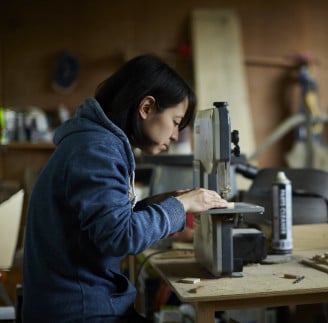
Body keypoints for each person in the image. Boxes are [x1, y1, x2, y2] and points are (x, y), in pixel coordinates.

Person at [22, 54, 230, 322]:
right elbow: (120, 237)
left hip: (78, 302)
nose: (176, 135)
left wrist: (161, 203)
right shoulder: (98, 150)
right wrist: (181, 205)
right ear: (146, 107)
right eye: (176, 122)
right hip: (79, 312)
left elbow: (103, 226)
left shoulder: (93, 141)